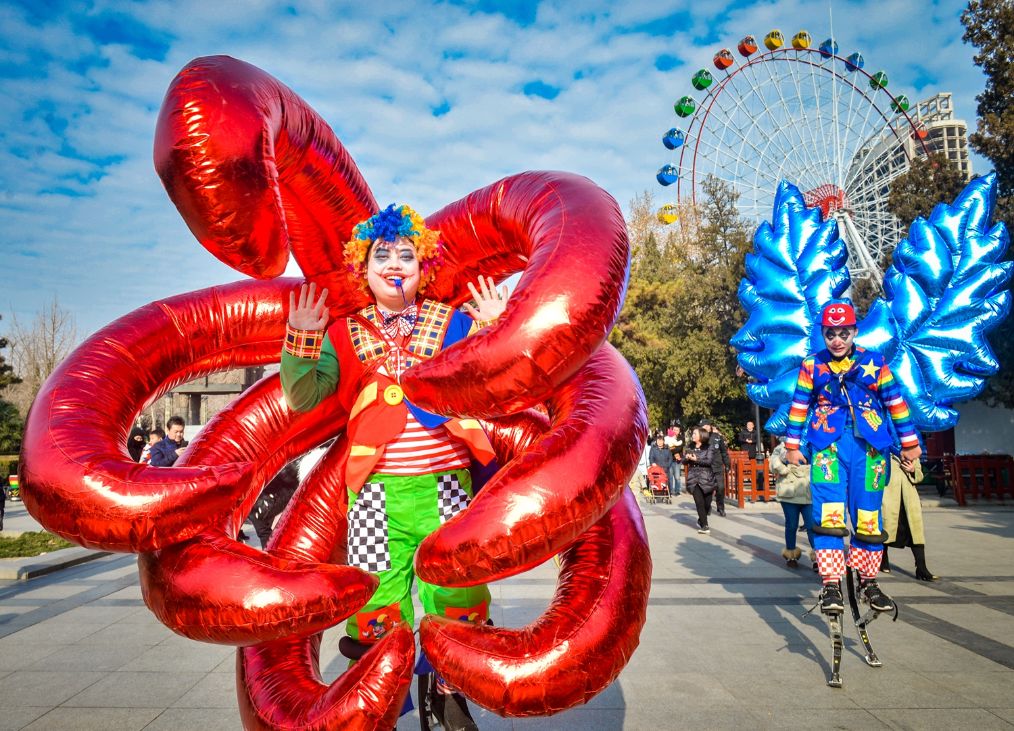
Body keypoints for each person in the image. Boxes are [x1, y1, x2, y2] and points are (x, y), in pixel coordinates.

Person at [280, 203, 506, 730]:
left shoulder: (453, 322)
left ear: (424, 267)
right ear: (364, 267)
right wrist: (302, 340)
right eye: (382, 254)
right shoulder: (342, 333)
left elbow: (492, 381)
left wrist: (495, 331)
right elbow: (304, 395)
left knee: (459, 588)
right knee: (379, 595)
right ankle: (386, 693)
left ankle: (453, 687)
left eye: (408, 254)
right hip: (376, 496)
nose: (395, 263)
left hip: (447, 486)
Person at [784, 300, 921, 615]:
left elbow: (896, 402)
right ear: (823, 334)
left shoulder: (875, 362)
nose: (837, 340)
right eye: (830, 333)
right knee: (829, 513)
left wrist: (909, 443)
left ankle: (868, 581)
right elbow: (799, 404)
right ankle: (831, 583)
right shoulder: (811, 365)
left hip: (870, 448)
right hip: (827, 447)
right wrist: (793, 445)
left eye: (843, 333)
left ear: (855, 332)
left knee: (868, 516)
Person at [881, 454, 939, 581]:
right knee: (887, 528)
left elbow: (919, 476)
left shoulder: (911, 452)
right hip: (889, 497)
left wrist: (912, 470)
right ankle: (883, 560)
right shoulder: (883, 450)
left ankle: (922, 568)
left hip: (909, 499)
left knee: (916, 533)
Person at [769, 438, 814, 569]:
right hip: (789, 493)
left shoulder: (811, 443)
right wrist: (783, 467)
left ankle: (817, 556)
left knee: (812, 525)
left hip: (808, 492)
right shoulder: (783, 446)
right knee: (791, 525)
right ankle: (791, 554)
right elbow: (773, 464)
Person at [248, 461, 301, 549]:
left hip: (263, 496)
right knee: (266, 530)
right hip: (266, 494)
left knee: (264, 531)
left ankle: (270, 553)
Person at [685, 426, 722, 534]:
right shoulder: (690, 446)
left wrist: (697, 459)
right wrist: (686, 458)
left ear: (701, 436)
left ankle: (701, 519)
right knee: (699, 502)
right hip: (694, 478)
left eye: (695, 434)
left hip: (707, 478)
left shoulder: (709, 447)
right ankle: (705, 526)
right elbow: (683, 461)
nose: (693, 436)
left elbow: (709, 461)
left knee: (707, 503)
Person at [700, 419, 730, 516]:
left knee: (720, 488)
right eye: (703, 427)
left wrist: (727, 464)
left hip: (718, 467)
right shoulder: (700, 438)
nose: (705, 428)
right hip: (706, 468)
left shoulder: (717, 437)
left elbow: (724, 452)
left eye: (706, 426)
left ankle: (720, 507)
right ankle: (707, 507)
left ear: (710, 426)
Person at [648, 432, 674, 498]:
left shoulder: (667, 449)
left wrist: (668, 465)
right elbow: (651, 458)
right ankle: (656, 493)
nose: (660, 442)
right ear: (656, 441)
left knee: (667, 481)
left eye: (661, 440)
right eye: (658, 440)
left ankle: (668, 493)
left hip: (665, 468)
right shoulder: (653, 449)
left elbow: (670, 458)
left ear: (663, 441)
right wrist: (652, 463)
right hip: (657, 468)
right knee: (657, 482)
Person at [668, 424, 685, 496]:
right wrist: (672, 449)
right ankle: (671, 491)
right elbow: (667, 446)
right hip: (669, 459)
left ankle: (677, 491)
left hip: (677, 460)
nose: (675, 431)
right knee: (670, 476)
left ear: (679, 431)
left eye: (677, 430)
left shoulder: (681, 438)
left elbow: (679, 448)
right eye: (674, 430)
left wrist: (671, 448)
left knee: (677, 477)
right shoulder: (668, 437)